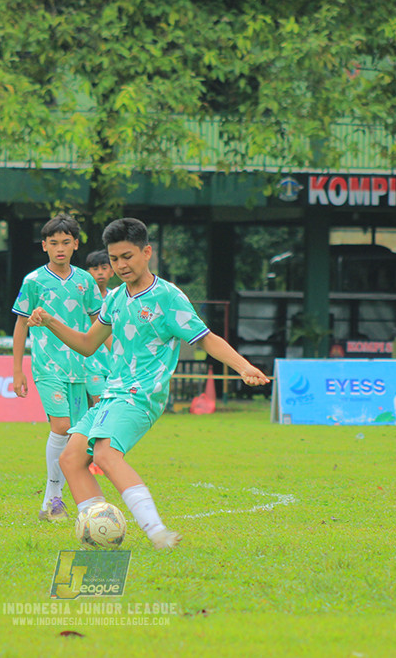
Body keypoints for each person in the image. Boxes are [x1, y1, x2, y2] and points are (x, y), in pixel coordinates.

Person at [27, 218, 270, 549]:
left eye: (127, 256)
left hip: (143, 395)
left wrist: (243, 367)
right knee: (70, 459)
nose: (121, 265)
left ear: (147, 252)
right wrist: (51, 321)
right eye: (114, 259)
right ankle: (100, 532)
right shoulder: (114, 299)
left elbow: (206, 339)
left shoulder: (168, 297)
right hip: (114, 394)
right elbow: (87, 344)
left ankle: (158, 532)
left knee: (105, 454)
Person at [12, 213, 103, 521]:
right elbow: (20, 325)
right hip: (47, 365)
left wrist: (107, 360)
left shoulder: (85, 281)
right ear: (44, 246)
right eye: (54, 243)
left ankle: (59, 498)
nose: (60, 248)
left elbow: (98, 323)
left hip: (81, 365)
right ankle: (53, 497)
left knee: (76, 433)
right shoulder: (33, 281)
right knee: (61, 426)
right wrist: (17, 370)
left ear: (76, 245)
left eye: (66, 242)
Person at [83, 249, 114, 406]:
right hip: (90, 362)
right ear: (88, 273)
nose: (100, 273)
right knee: (101, 405)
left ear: (112, 271)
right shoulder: (82, 300)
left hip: (113, 362)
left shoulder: (116, 298)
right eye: (95, 269)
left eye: (104, 268)